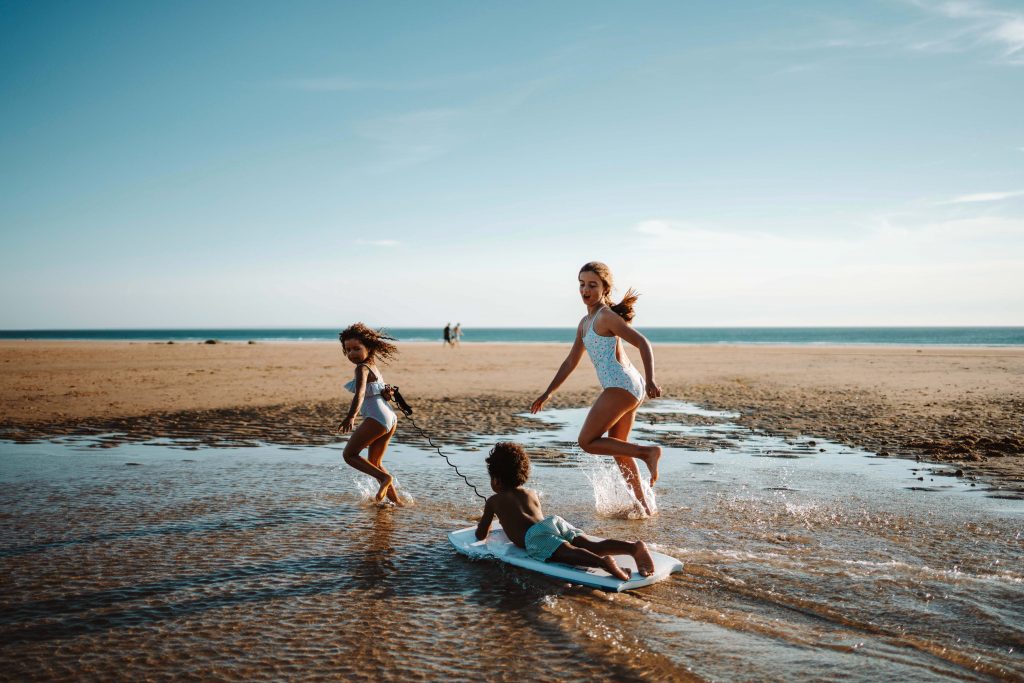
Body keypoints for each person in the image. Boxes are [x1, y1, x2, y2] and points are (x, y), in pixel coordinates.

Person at [531, 261, 662, 515]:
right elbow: (571, 361)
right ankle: (644, 507)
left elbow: (643, 343)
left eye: (592, 285)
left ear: (604, 288)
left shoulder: (605, 317)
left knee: (587, 441)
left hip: (622, 385)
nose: (585, 290)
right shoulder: (585, 322)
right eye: (582, 284)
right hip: (627, 386)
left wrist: (652, 378)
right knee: (618, 450)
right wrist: (548, 392)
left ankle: (648, 452)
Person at [475, 442, 654, 580]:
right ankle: (633, 548)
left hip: (534, 537)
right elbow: (536, 522)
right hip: (554, 523)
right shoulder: (531, 493)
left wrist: (486, 523)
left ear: (496, 481)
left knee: (566, 553)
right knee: (591, 545)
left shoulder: (493, 501)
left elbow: (481, 535)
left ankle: (604, 563)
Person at [338, 323, 402, 505]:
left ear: (369, 347)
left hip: (378, 418)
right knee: (375, 462)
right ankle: (397, 503)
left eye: (357, 349)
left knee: (349, 455)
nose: (352, 354)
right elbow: (380, 393)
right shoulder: (373, 365)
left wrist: (351, 416)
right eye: (348, 350)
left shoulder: (361, 369)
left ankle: (384, 479)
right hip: (389, 418)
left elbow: (360, 394)